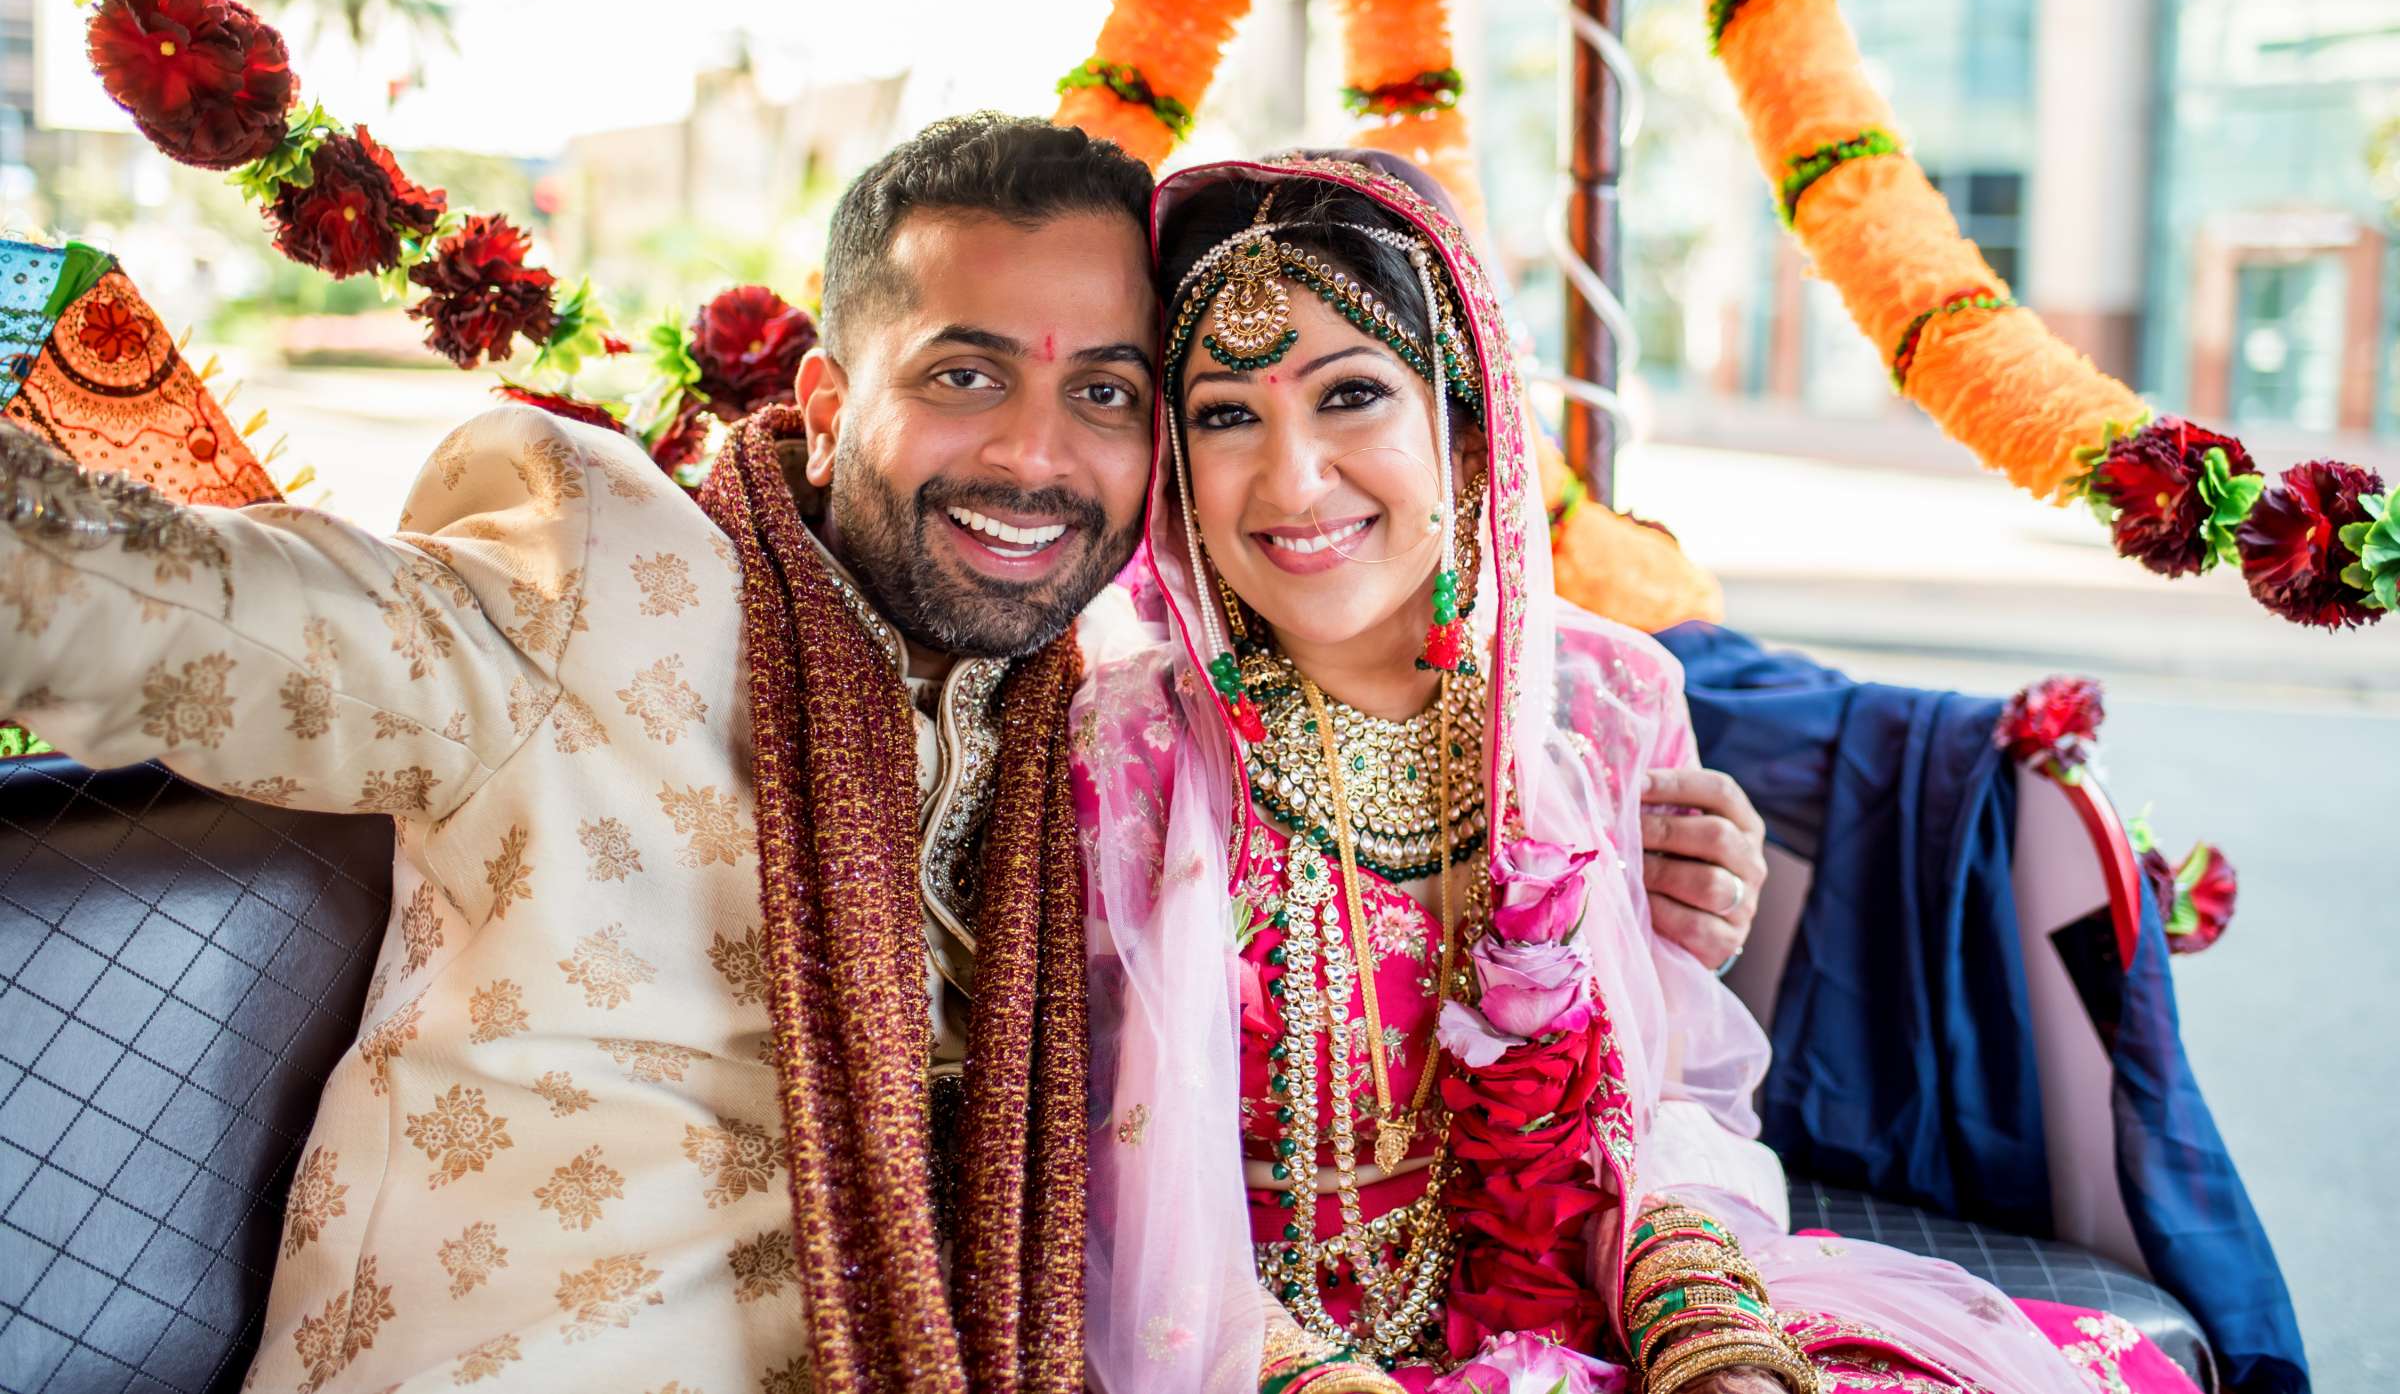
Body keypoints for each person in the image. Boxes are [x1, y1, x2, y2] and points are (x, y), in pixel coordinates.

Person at [0, 113, 1767, 1392]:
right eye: (967, 375)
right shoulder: (597, 586)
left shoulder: (1082, 720)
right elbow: (123, 605)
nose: (1037, 456)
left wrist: (1649, 879)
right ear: (834, 400)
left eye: (1107, 396)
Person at [1071, 150, 2205, 1394]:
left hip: (1586, 1323)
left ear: (1462, 419)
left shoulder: (1602, 705)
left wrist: (1705, 1341)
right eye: (1227, 415)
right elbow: (1108, 1198)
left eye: (1350, 397)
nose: (1292, 480)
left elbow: (1662, 1107)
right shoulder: (1128, 750)